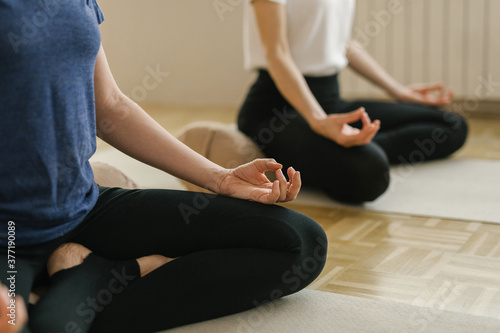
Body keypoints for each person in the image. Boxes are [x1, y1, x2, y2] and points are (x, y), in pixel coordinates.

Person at [0, 1, 327, 332]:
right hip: (9, 237)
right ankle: (89, 278)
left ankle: (79, 288)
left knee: (300, 242)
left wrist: (221, 178)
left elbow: (110, 107)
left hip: (84, 208)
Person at [237, 0, 468, 204]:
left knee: (452, 125)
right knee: (370, 174)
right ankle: (358, 151)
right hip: (275, 114)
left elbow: (344, 43)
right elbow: (276, 53)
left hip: (330, 103)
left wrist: (398, 91)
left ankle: (361, 146)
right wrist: (318, 120)